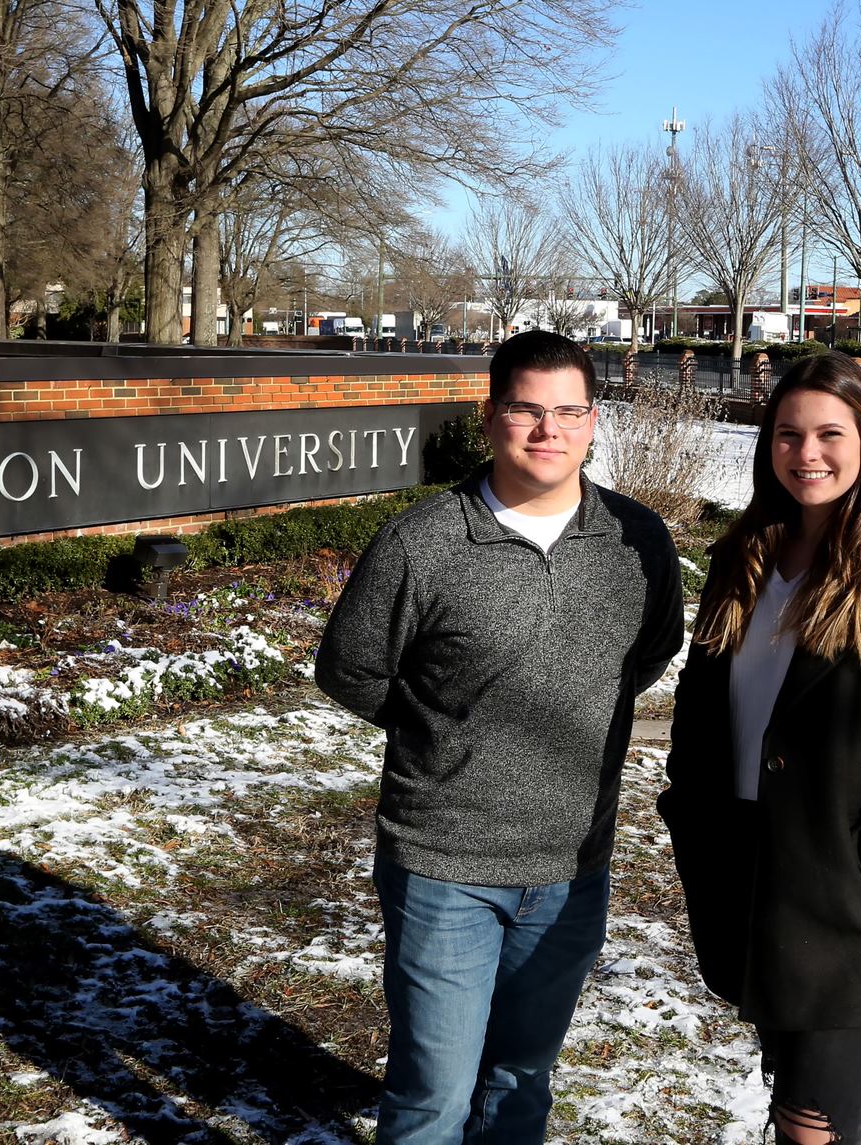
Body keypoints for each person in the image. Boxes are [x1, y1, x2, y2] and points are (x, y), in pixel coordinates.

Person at [316, 330, 684, 1144]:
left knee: (521, 1079)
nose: (549, 429)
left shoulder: (638, 542)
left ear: (593, 421)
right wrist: (441, 727)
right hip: (444, 864)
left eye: (569, 411)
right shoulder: (423, 542)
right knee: (433, 1096)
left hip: (571, 867)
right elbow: (349, 668)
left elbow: (651, 652)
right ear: (489, 418)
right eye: (526, 409)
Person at [659, 352, 861, 1143]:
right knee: (789, 1109)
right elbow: (701, 704)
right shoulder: (746, 552)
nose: (807, 453)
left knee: (814, 1128)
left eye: (829, 434)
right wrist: (692, 814)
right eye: (788, 433)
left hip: (849, 899)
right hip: (749, 880)